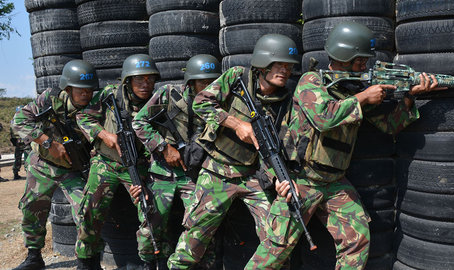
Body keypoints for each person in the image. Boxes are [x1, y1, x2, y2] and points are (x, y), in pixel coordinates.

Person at [245, 21, 448, 269]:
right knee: (275, 250)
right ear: (344, 55)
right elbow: (324, 117)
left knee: (357, 237)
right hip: (302, 179)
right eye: (360, 60)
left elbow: (388, 126)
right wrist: (363, 97)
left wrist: (408, 99)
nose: (365, 65)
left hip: (334, 181)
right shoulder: (312, 81)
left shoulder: (353, 88)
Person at [166, 34, 300, 270]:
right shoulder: (238, 76)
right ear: (263, 64)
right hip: (217, 170)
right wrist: (236, 124)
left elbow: (282, 146)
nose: (286, 71)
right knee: (194, 237)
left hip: (252, 175)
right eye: (280, 65)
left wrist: (282, 178)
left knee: (276, 237)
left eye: (289, 66)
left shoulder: (285, 101)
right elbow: (201, 102)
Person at [130, 54, 222, 269]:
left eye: (212, 82)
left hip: (195, 177)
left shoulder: (218, 103)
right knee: (149, 227)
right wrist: (164, 147)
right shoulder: (170, 94)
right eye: (202, 82)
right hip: (162, 174)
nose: (208, 87)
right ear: (191, 82)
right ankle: (150, 264)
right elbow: (139, 122)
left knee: (202, 227)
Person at [74, 54, 160, 270]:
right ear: (128, 81)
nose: (145, 84)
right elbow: (83, 117)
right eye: (139, 79)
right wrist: (105, 135)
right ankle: (87, 263)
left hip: (137, 166)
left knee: (149, 211)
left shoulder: (157, 102)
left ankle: (148, 262)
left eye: (150, 79)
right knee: (89, 212)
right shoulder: (110, 95)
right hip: (105, 162)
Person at [11, 59, 98, 270]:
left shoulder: (96, 108)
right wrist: (48, 143)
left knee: (87, 212)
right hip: (42, 163)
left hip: (74, 169)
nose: (86, 94)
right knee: (32, 207)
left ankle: (88, 261)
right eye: (80, 90)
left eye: (89, 90)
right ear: (68, 88)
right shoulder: (50, 99)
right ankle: (33, 257)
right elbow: (18, 121)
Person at [11, 105, 31, 180]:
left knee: (17, 158)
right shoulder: (23, 119)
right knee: (29, 157)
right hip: (25, 141)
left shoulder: (13, 121)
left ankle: (15, 173)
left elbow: (12, 132)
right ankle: (28, 173)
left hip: (18, 142)